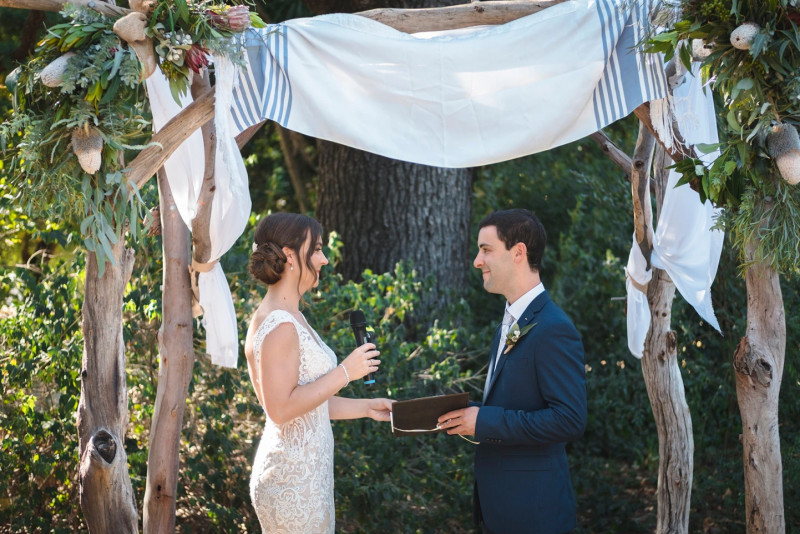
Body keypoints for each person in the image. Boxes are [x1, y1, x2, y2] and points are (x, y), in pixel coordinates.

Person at [438, 209, 587, 534]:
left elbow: (569, 419)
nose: (478, 261)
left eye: (486, 250)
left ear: (519, 252)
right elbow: (519, 402)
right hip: (499, 510)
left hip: (534, 514)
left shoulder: (553, 328)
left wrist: (485, 421)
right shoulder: (510, 323)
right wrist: (470, 414)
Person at [244, 212, 393, 534]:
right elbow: (281, 409)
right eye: (317, 249)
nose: (324, 260)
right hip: (291, 480)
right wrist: (345, 371)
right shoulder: (279, 324)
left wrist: (367, 407)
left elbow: (308, 403)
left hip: (309, 475)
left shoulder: (291, 316)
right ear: (289, 255)